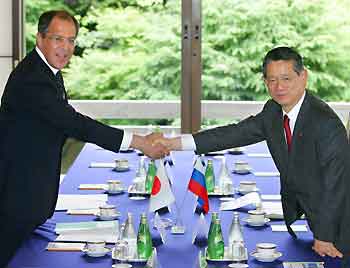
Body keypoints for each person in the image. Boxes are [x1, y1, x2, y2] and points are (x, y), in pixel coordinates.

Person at [0, 10, 168, 267]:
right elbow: (75, 124)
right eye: (58, 39)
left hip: (31, 193)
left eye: (71, 41)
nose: (65, 48)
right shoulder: (32, 79)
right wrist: (140, 143)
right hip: (17, 199)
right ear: (39, 38)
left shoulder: (46, 71)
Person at [158, 46, 350, 267]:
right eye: (271, 80)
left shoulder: (325, 122)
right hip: (314, 216)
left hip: (340, 228)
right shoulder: (274, 111)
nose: (279, 87)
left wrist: (325, 235)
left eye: (286, 78)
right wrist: (173, 143)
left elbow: (338, 185)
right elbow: (233, 134)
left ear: (303, 76)